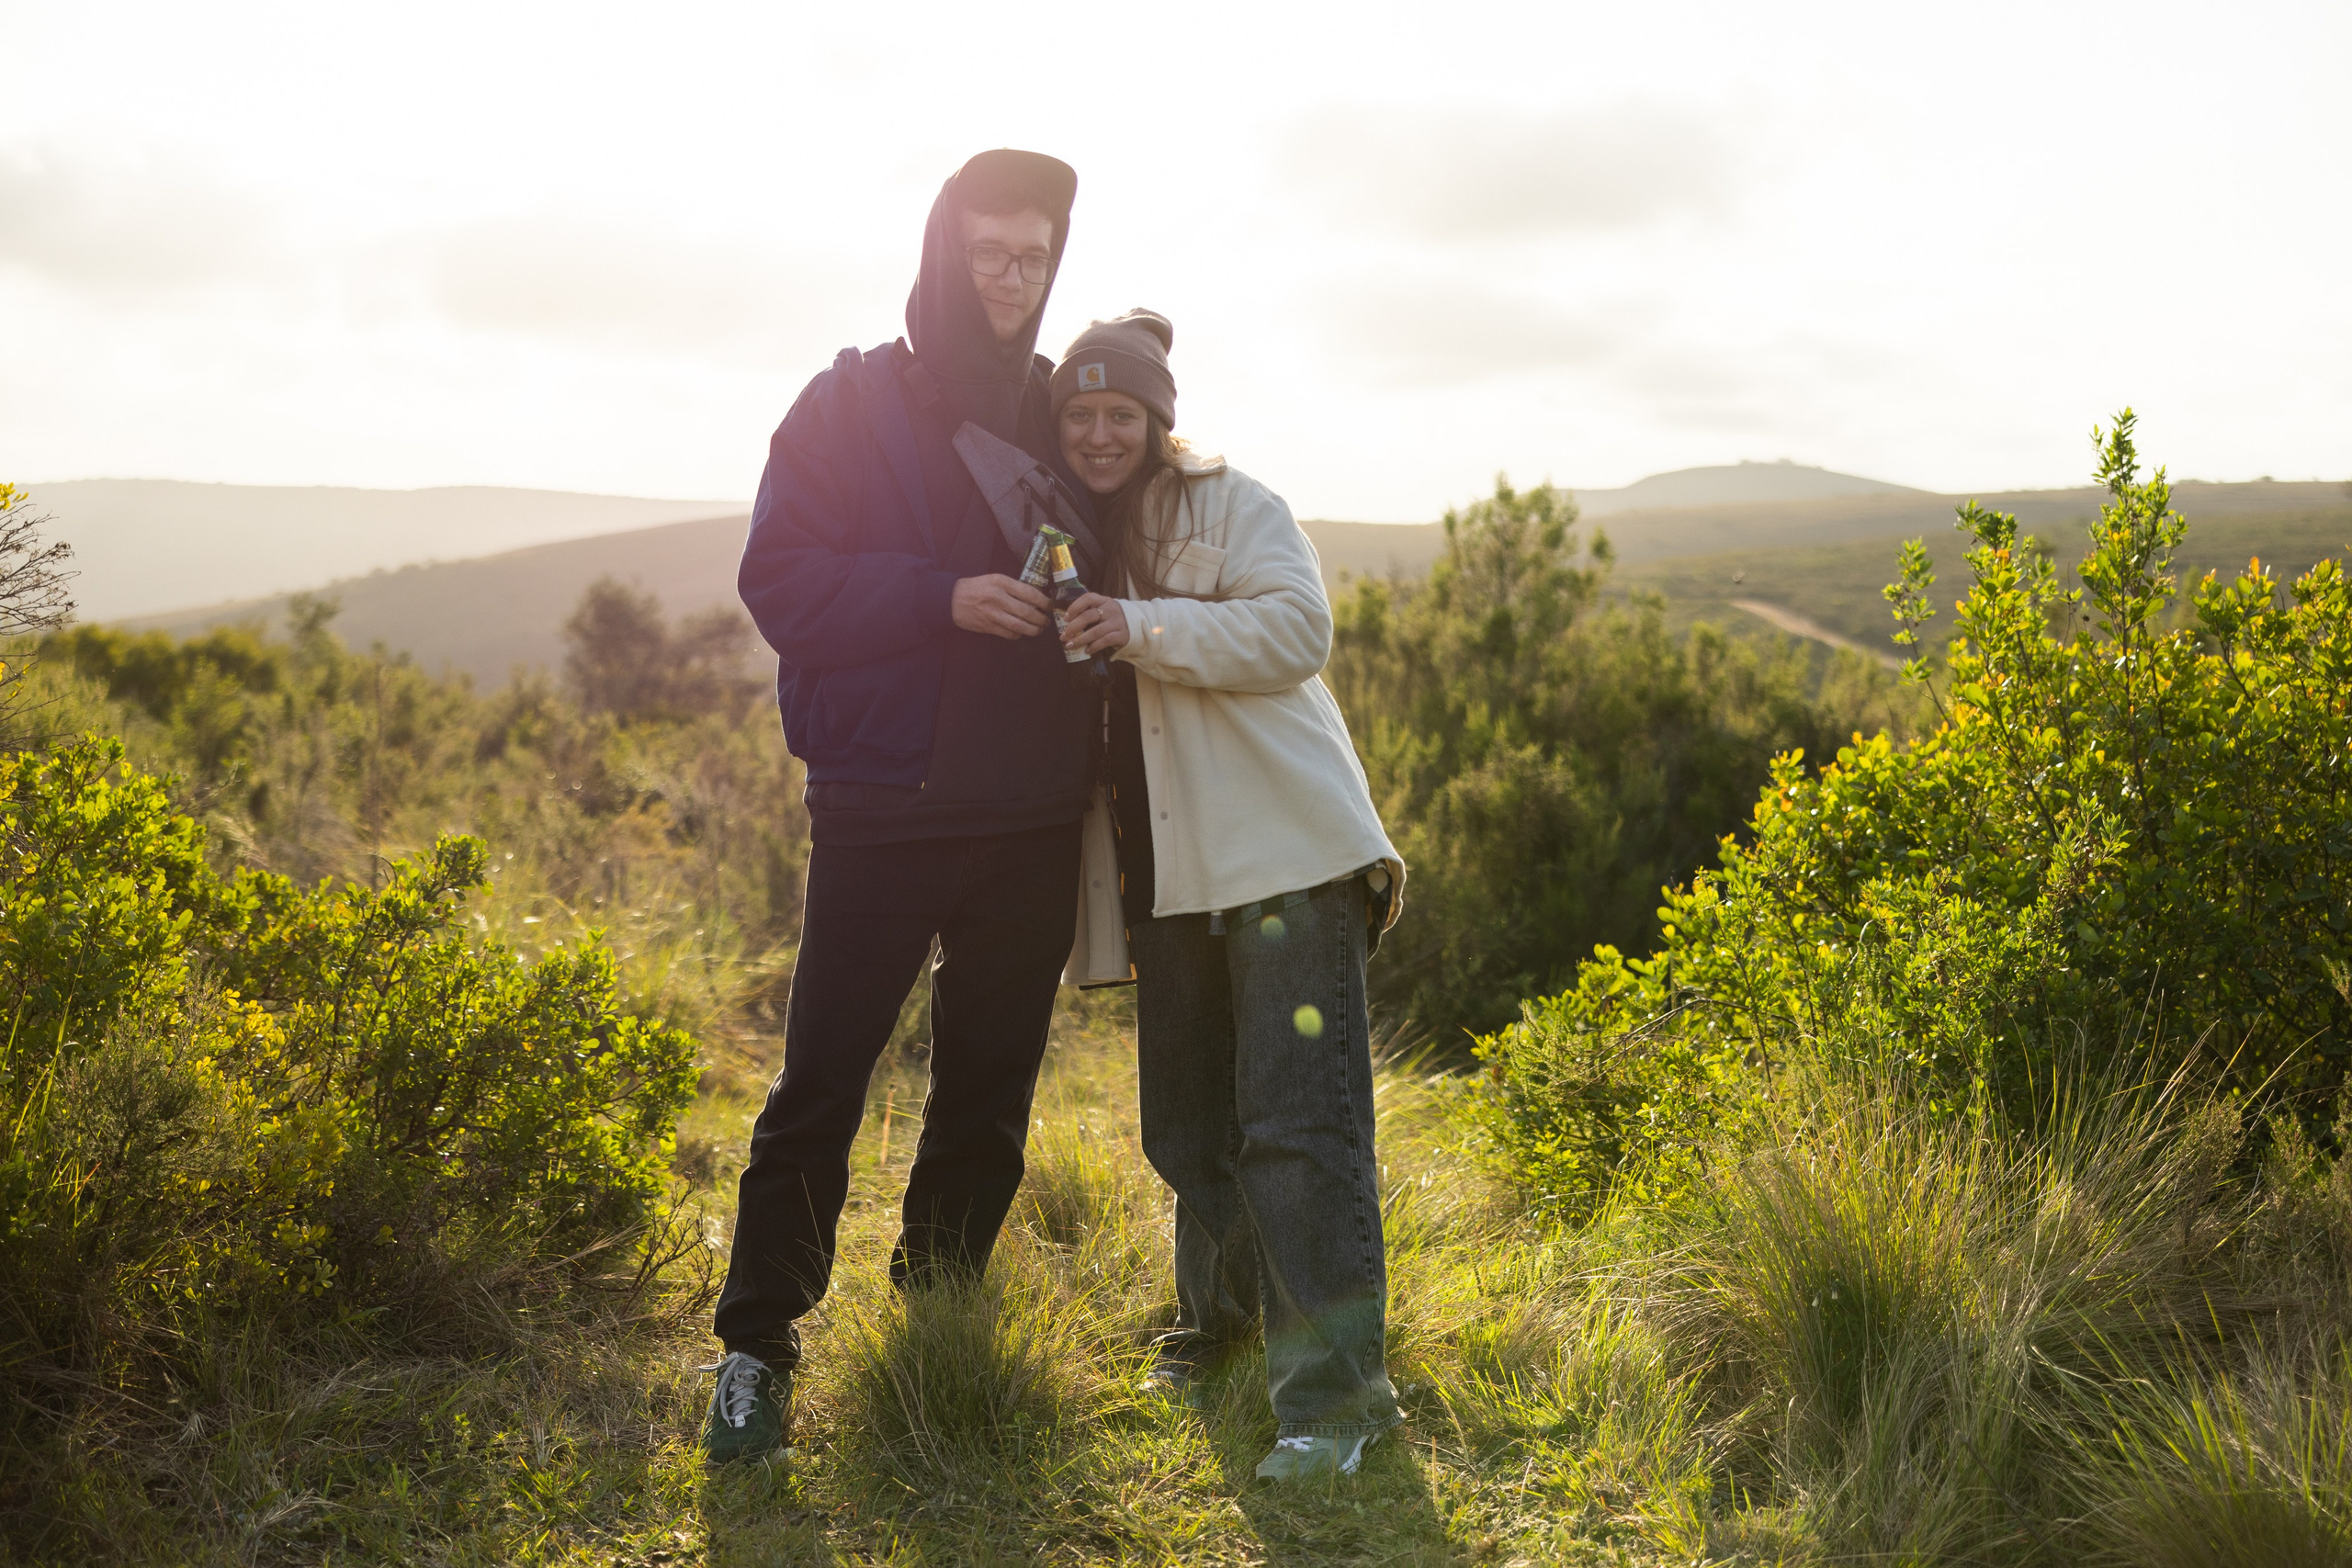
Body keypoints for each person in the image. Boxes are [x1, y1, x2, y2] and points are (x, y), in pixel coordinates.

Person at [701, 150, 1100, 1464]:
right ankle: (757, 1347)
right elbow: (780, 578)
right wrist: (937, 594)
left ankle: (937, 1326)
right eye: (991, 252)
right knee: (823, 1078)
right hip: (884, 804)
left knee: (988, 1089)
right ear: (945, 251)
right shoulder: (849, 403)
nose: (1013, 279)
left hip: (1037, 809)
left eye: (1035, 255)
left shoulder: (1061, 410)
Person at [1052, 310, 1408, 1483]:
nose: (1102, 434)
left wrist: (1141, 625)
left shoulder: (1233, 503)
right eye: (1081, 413)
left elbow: (1299, 629)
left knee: (1299, 1131)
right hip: (1165, 875)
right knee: (1188, 1128)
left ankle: (1338, 1405)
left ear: (1158, 420)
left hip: (1286, 861)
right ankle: (1218, 1330)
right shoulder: (1053, 530)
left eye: (1122, 414)